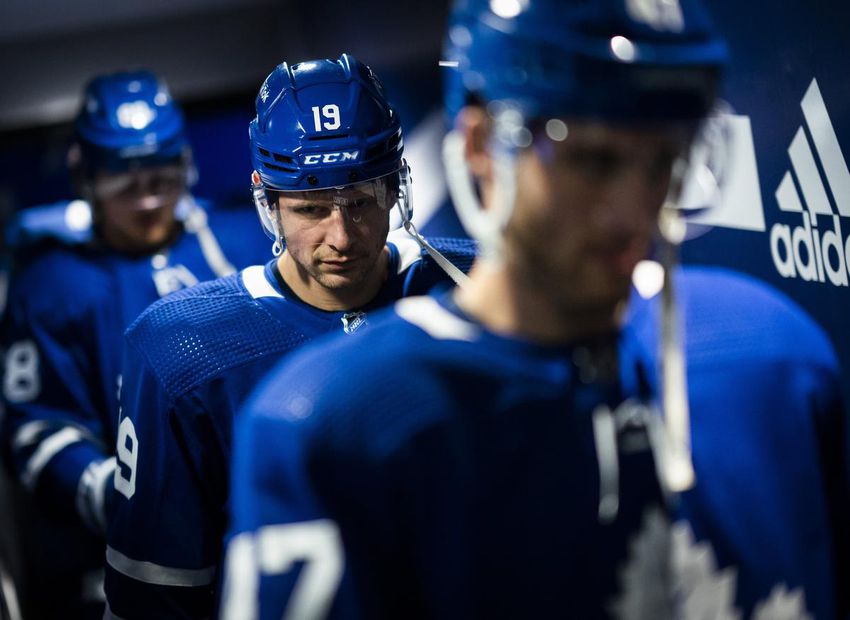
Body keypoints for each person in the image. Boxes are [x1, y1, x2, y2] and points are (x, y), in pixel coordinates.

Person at [220, 1, 731, 618]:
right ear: (482, 145)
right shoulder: (324, 423)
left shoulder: (766, 355)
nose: (632, 212)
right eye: (592, 160)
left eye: (664, 161)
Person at [103, 53, 475, 619]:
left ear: (395, 186)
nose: (341, 236)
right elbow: (155, 593)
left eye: (360, 202)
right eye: (311, 209)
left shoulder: (479, 287)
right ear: (268, 202)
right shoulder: (179, 349)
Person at [0, 69, 269, 619]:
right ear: (85, 175)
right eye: (123, 181)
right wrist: (125, 499)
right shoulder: (50, 285)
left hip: (258, 526)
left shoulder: (245, 240)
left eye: (162, 177)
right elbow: (37, 427)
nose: (147, 199)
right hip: (118, 565)